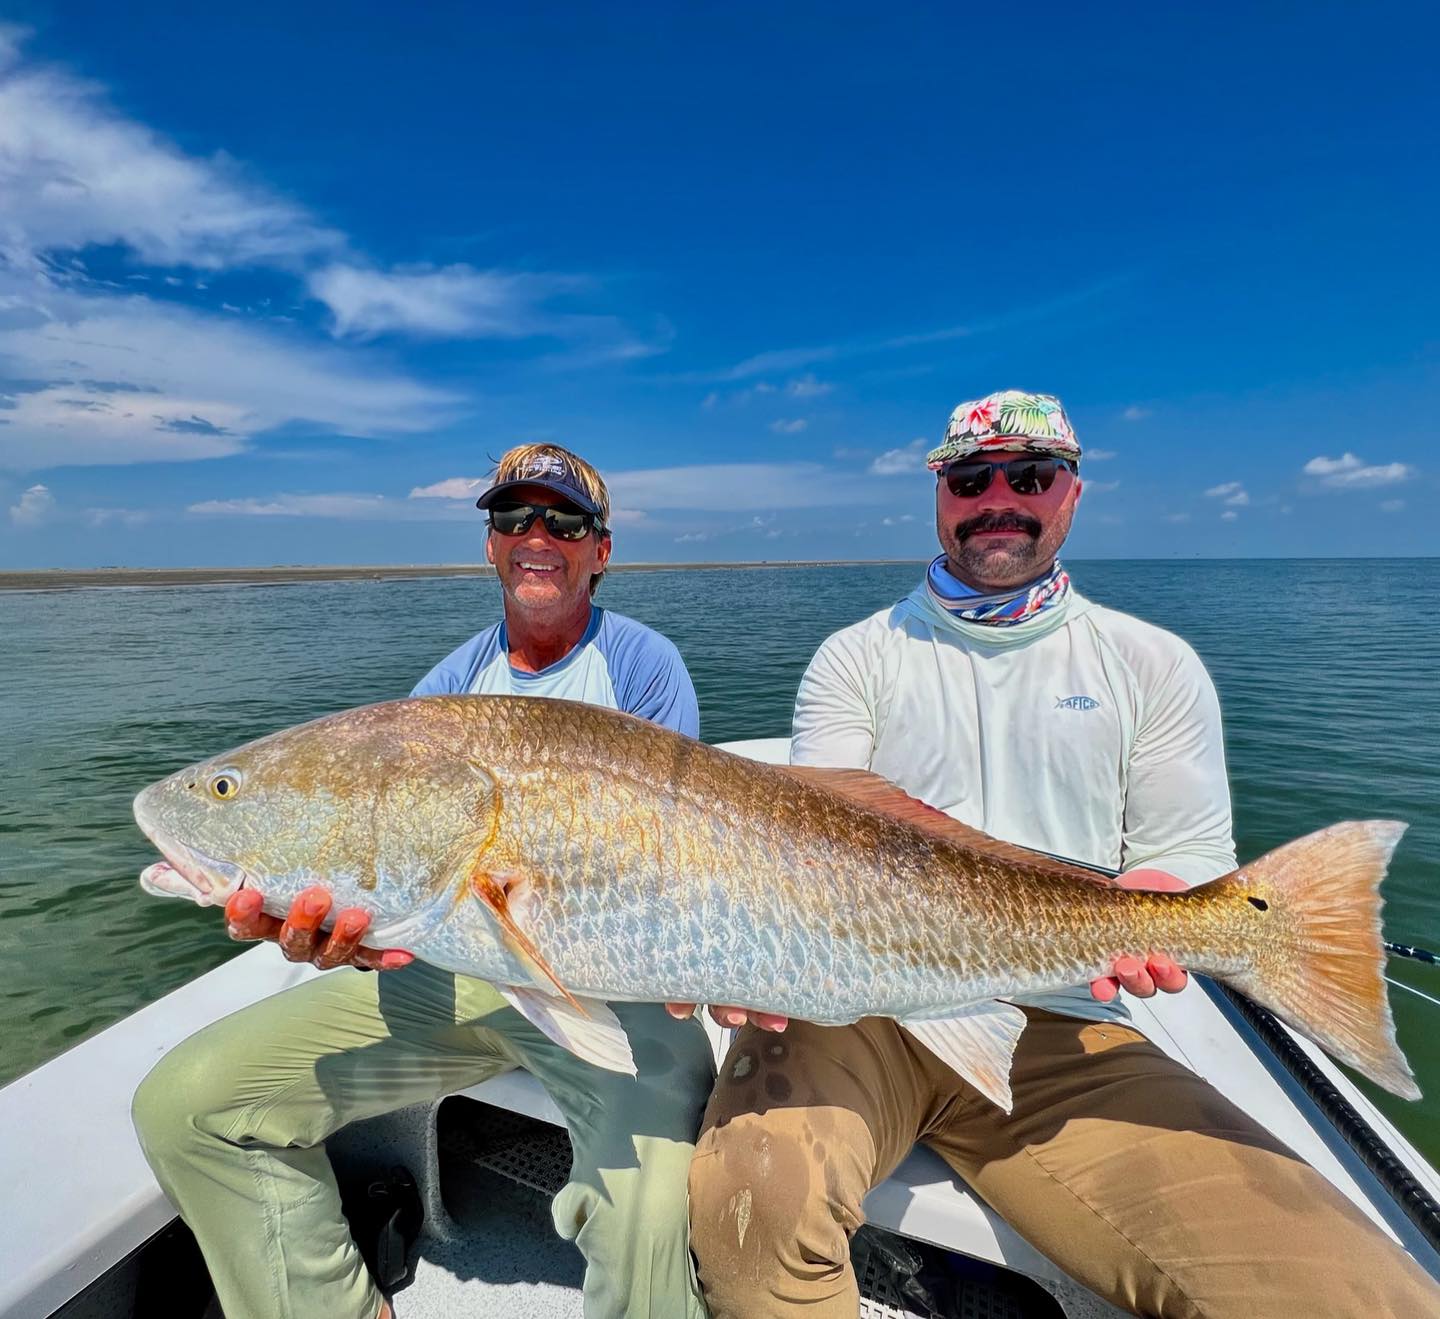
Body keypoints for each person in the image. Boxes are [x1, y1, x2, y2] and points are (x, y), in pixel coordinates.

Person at [682, 390, 1438, 1317]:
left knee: (1348, 1294)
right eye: (971, 476)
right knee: (748, 1230)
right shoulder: (856, 656)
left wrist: (1161, 911)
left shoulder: (1151, 663)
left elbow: (1178, 864)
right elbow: (812, 845)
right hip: (853, 1006)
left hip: (1065, 1022)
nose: (999, 494)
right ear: (940, 493)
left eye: (1030, 474)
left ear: (1072, 492)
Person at [133, 444, 715, 1319]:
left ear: (602, 548)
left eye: (564, 520)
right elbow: (396, 878)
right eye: (513, 517)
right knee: (189, 1105)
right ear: (489, 544)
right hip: (452, 975)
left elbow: (676, 868)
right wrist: (355, 940)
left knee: (648, 1224)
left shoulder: (643, 667)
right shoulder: (443, 694)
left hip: (615, 989)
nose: (536, 537)